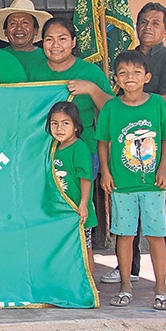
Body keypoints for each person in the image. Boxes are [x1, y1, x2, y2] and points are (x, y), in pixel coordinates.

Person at [101, 2, 166, 292]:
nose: (147, 27)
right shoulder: (128, 58)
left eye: (155, 23)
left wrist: (137, 109)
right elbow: (116, 101)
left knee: (164, 210)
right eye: (143, 22)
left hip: (157, 150)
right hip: (125, 148)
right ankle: (131, 268)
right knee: (127, 212)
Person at [97, 51, 166, 311]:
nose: (129, 77)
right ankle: (125, 285)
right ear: (116, 79)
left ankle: (161, 288)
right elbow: (103, 142)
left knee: (156, 235)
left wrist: (163, 169)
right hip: (122, 185)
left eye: (135, 73)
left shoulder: (157, 104)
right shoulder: (111, 107)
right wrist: (106, 172)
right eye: (123, 73)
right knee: (124, 235)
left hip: (153, 185)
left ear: (147, 77)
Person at [26, 17, 114, 163]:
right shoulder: (31, 70)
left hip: (83, 151)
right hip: (41, 150)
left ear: (73, 42)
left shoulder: (91, 72)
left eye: (62, 39)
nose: (55, 45)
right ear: (42, 42)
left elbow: (113, 110)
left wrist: (93, 90)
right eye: (49, 39)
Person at [47, 101, 97, 275]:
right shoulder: (53, 149)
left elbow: (85, 179)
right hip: (61, 211)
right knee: (65, 250)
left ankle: (89, 285)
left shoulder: (80, 148)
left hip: (78, 210)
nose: (59, 128)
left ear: (76, 126)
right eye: (54, 123)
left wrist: (83, 204)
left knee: (85, 248)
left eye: (65, 123)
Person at [0, 0, 52, 71]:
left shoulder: (49, 56)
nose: (19, 28)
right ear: (5, 31)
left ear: (36, 30)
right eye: (13, 23)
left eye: (25, 23)